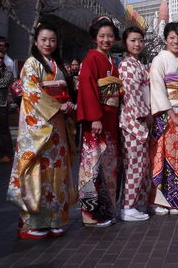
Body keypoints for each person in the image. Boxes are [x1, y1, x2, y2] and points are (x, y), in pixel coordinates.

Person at [6, 22, 77, 239]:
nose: (48, 43)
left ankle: (55, 220)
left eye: (52, 40)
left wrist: (68, 104)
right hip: (41, 127)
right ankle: (32, 224)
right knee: (39, 172)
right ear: (36, 42)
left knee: (57, 172)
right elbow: (31, 92)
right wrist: (57, 106)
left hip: (58, 127)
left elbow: (65, 90)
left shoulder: (57, 64)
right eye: (44, 39)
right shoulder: (31, 64)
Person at [77, 16, 123, 227]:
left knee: (107, 165)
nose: (106, 40)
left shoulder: (111, 60)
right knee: (92, 165)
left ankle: (105, 210)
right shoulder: (91, 59)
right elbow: (87, 88)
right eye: (102, 36)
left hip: (110, 119)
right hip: (97, 120)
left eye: (110, 36)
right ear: (95, 38)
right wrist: (94, 117)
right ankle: (90, 214)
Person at [149, 22, 178, 215]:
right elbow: (158, 89)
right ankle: (159, 201)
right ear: (165, 39)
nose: (176, 41)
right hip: (166, 117)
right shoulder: (159, 60)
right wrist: (172, 115)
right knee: (162, 156)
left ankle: (175, 200)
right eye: (172, 37)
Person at [118, 26, 152, 222]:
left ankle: (134, 203)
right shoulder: (126, 65)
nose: (137, 44)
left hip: (138, 119)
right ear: (125, 42)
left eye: (140, 40)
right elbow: (132, 94)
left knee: (140, 164)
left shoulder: (138, 64)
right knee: (133, 165)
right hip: (133, 120)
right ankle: (128, 206)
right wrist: (146, 114)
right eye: (133, 40)